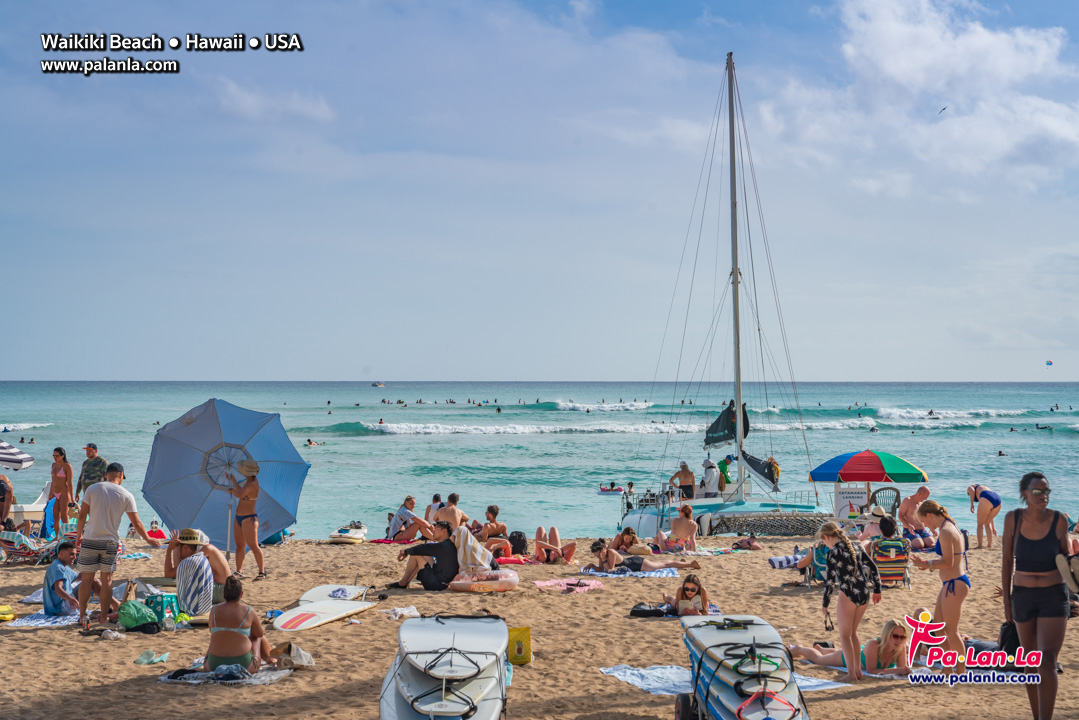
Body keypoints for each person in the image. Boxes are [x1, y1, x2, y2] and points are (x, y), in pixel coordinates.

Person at [1001, 472, 1070, 720]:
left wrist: (1074, 594)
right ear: (1025, 494)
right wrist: (1007, 602)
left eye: (1047, 491)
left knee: (1047, 660)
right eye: (1038, 491)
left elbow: (1067, 563)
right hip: (1023, 597)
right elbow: (1007, 561)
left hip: (1053, 597)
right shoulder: (1013, 518)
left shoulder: (1060, 520)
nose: (1044, 496)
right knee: (1030, 663)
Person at [75, 462, 161, 627]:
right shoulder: (126, 495)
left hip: (90, 539)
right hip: (110, 542)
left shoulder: (92, 489)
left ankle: (81, 616)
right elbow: (136, 522)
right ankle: (103, 617)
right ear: (121, 475)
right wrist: (148, 539)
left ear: (106, 475)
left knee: (86, 580)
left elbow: (82, 516)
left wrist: (79, 536)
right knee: (107, 581)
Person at [817, 521, 882, 682]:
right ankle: (858, 671)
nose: (825, 544)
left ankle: (852, 674)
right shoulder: (856, 547)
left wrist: (825, 604)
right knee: (853, 633)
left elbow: (830, 582)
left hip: (848, 593)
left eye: (823, 541)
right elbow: (873, 567)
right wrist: (877, 590)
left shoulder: (833, 552)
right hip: (864, 592)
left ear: (827, 537)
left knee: (845, 635)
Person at [911, 501, 969, 676]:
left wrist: (926, 564)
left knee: (951, 631)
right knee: (938, 627)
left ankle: (960, 671)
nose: (925, 526)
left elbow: (948, 562)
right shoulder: (949, 525)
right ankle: (948, 668)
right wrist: (927, 564)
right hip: (951, 583)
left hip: (954, 584)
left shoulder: (946, 531)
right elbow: (949, 560)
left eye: (924, 521)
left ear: (929, 515)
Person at [790, 618, 910, 674]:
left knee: (836, 652)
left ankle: (822, 649)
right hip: (848, 657)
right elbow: (872, 670)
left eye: (902, 637)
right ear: (887, 635)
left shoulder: (900, 647)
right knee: (818, 659)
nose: (899, 640)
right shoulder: (874, 644)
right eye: (895, 636)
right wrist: (898, 670)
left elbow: (902, 670)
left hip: (860, 652)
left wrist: (904, 670)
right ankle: (799, 649)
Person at [204, 576, 273, 673]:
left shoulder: (214, 610)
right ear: (241, 594)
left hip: (212, 666)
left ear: (223, 593)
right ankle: (270, 660)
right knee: (257, 638)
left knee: (217, 636)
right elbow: (259, 633)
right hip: (245, 665)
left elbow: (211, 631)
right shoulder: (248, 610)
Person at [164, 528, 231, 615]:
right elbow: (177, 570)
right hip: (220, 589)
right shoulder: (198, 555)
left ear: (186, 547)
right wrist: (175, 549)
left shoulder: (206, 551)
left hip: (221, 590)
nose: (177, 550)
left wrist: (169, 550)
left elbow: (171, 572)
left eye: (178, 547)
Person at [44, 541, 120, 617]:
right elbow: (58, 588)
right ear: (61, 554)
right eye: (71, 554)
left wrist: (94, 568)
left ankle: (113, 605)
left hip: (62, 604)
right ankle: (115, 604)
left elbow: (80, 576)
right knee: (92, 581)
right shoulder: (58, 568)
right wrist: (70, 599)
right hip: (60, 607)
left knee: (92, 579)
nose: (75, 557)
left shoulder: (62, 566)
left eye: (75, 554)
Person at [225, 459, 266, 581]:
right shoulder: (248, 482)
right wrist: (233, 481)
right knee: (239, 546)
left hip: (249, 518)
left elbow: (240, 494)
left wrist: (232, 490)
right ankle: (239, 570)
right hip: (239, 517)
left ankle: (262, 572)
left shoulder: (253, 483)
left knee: (254, 546)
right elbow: (241, 491)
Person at [388, 520, 459, 590]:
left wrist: (406, 552)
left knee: (416, 554)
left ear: (444, 531)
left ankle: (402, 583)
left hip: (436, 584)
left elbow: (422, 548)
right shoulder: (448, 544)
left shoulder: (442, 546)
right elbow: (425, 549)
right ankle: (406, 582)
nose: (433, 531)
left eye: (436, 529)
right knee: (422, 553)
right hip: (442, 582)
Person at [583, 539, 700, 573]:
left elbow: (609, 570)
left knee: (664, 565)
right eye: (596, 556)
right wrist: (592, 565)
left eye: (598, 554)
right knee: (662, 564)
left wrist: (603, 559)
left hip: (637, 563)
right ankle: (682, 563)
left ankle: (691, 564)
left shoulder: (611, 553)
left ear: (603, 549)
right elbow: (602, 569)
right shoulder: (602, 556)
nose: (598, 557)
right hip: (632, 563)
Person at [966, 483, 1003, 549]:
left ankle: (980, 545)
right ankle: (989, 545)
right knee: (987, 523)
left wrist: (971, 504)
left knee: (980, 524)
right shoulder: (984, 488)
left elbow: (971, 490)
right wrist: (993, 528)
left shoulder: (971, 486)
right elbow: (989, 513)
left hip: (986, 498)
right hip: (998, 500)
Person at [49, 447, 75, 537]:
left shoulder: (67, 466)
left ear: (63, 456)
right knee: (55, 518)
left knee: (64, 517)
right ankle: (58, 538)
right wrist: (50, 494)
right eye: (53, 456)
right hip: (55, 494)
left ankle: (69, 537)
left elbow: (70, 483)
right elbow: (53, 481)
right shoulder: (53, 465)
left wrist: (72, 498)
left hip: (64, 493)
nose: (55, 458)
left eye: (57, 456)